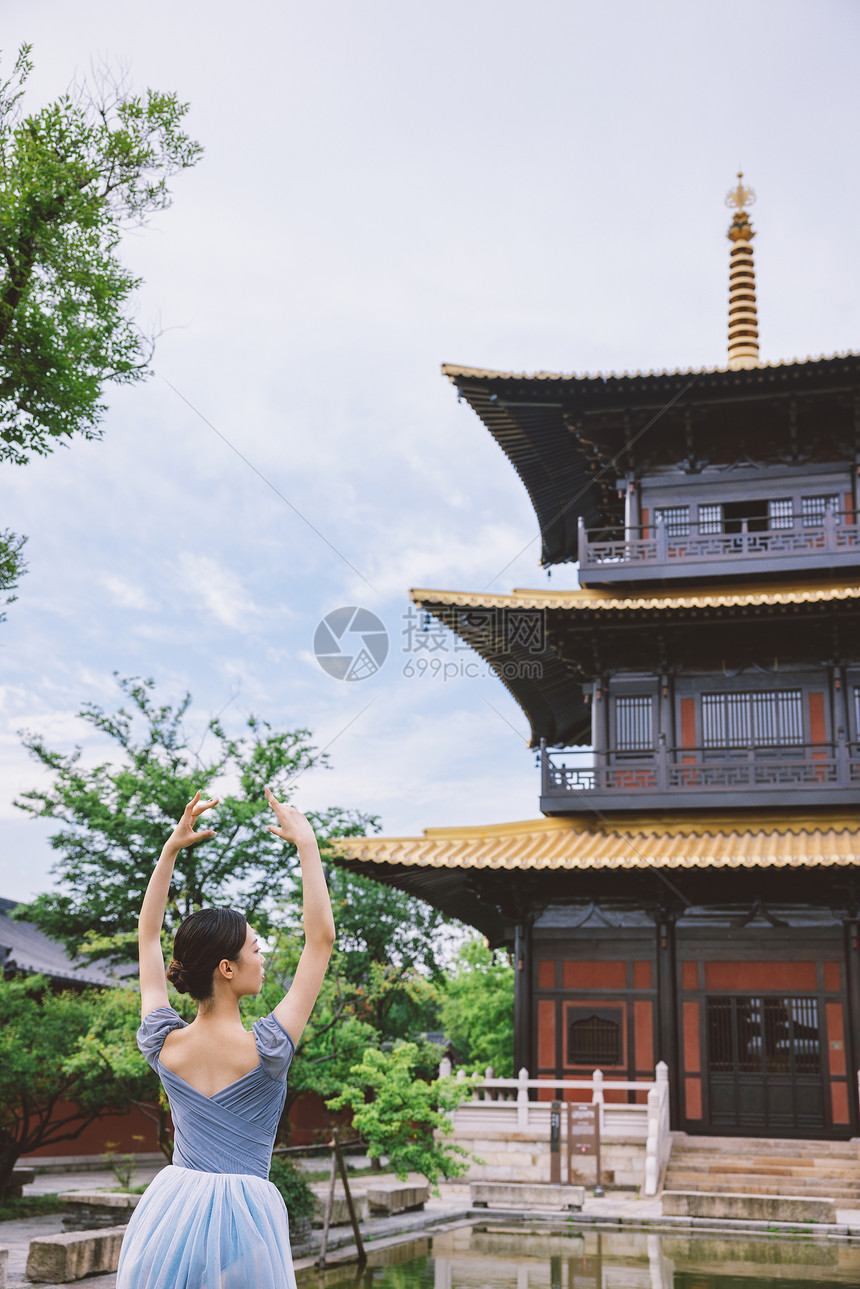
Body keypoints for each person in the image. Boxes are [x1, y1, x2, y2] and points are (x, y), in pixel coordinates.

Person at [116, 787, 335, 1289]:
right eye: (256, 949)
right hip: (245, 1217)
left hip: (170, 1213)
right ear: (227, 968)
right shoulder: (269, 1049)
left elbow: (148, 935)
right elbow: (319, 941)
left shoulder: (163, 1044)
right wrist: (307, 846)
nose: (264, 957)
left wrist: (169, 850)